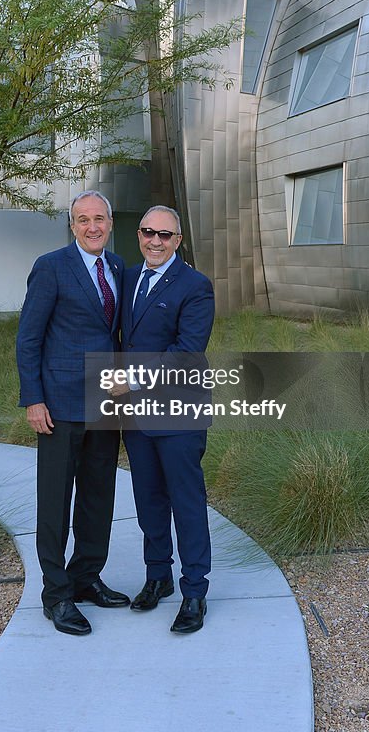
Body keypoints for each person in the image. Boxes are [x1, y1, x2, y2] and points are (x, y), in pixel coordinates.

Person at [16, 190, 129, 636]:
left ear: (110, 223)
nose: (92, 227)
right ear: (72, 225)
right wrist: (34, 398)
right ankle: (57, 595)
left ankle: (86, 578)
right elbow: (29, 338)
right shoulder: (50, 267)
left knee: (99, 495)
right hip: (59, 403)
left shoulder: (118, 268)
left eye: (99, 218)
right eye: (83, 220)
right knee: (56, 501)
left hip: (105, 398)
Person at [121, 205, 215, 634]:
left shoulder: (195, 286)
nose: (154, 241)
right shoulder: (127, 278)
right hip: (137, 416)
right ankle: (157, 575)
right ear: (139, 235)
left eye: (165, 234)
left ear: (178, 241)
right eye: (147, 232)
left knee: (186, 501)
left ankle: (194, 590)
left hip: (179, 411)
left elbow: (187, 350)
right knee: (149, 500)